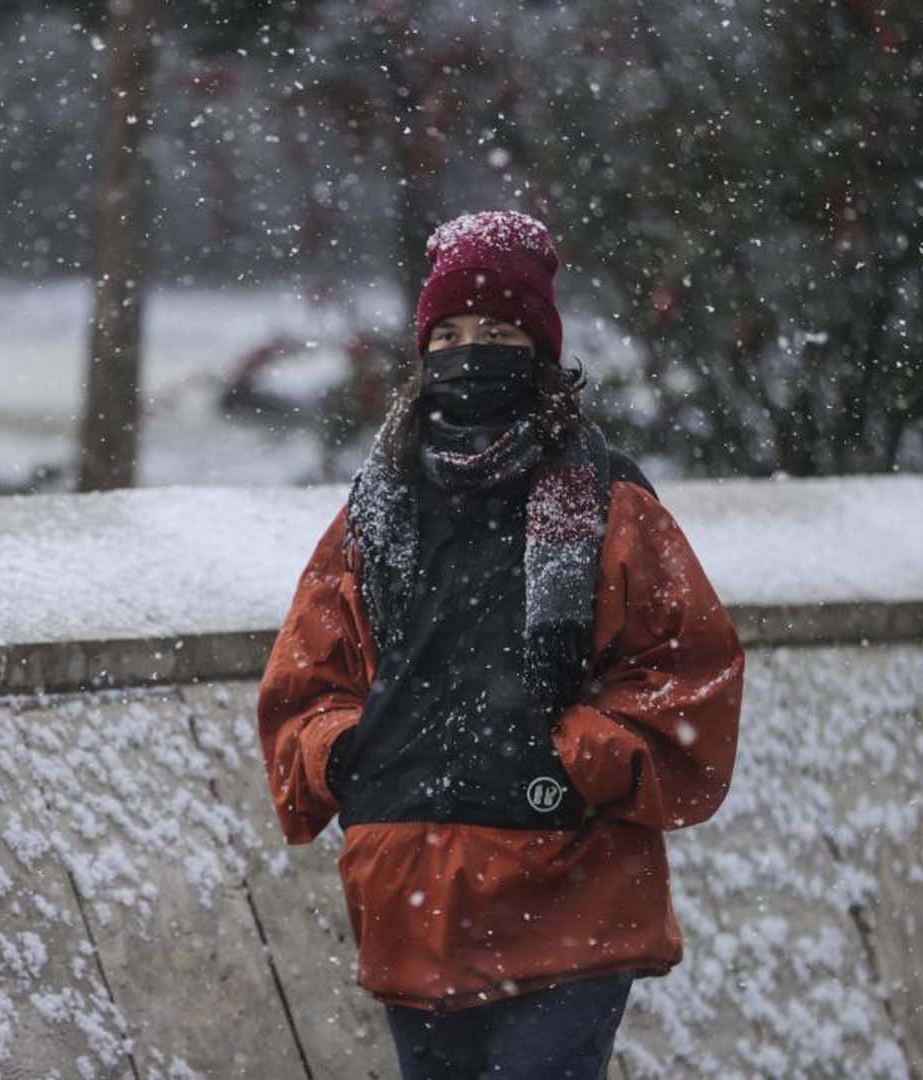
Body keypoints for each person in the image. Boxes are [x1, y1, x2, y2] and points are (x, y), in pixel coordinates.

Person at [255, 210, 745, 1080]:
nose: (468, 353)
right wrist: (354, 757)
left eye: (497, 333)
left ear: (540, 349)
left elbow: (690, 676)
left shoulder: (608, 501)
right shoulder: (377, 510)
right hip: (411, 901)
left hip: (568, 897)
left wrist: (577, 757)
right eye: (448, 335)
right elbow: (305, 682)